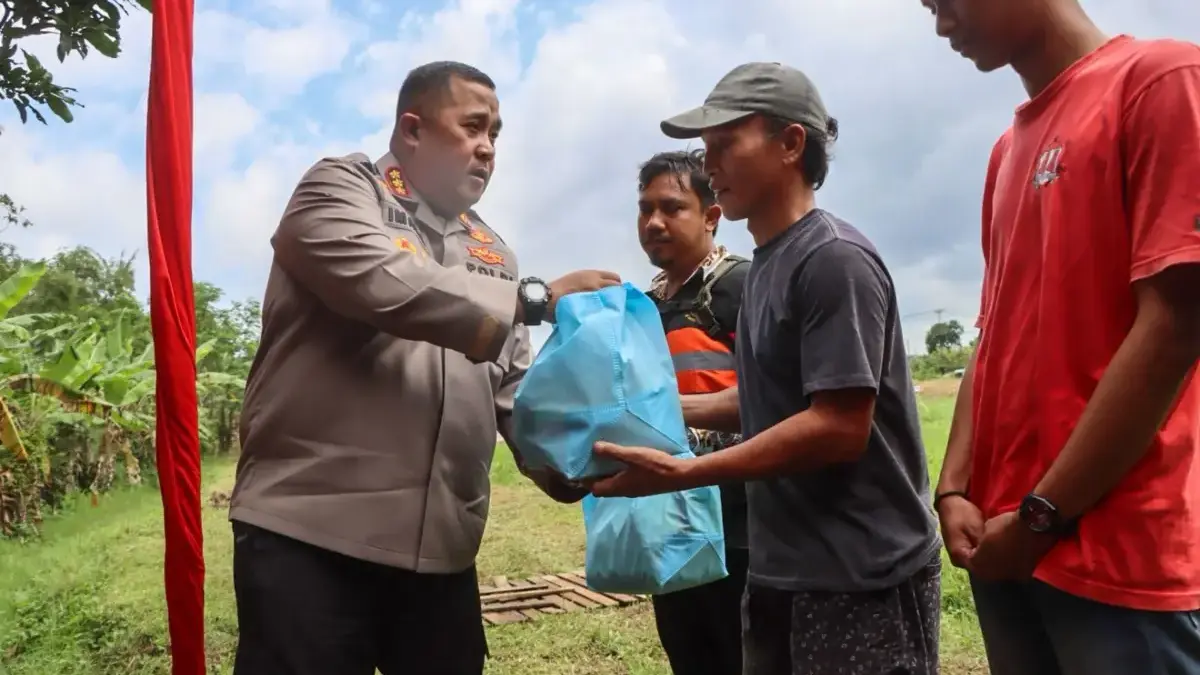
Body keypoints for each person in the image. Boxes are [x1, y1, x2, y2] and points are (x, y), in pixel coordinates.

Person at [227, 60, 619, 675]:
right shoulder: (341, 190)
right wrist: (534, 299)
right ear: (412, 130)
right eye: (473, 127)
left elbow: (516, 389)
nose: (488, 148)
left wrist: (578, 463)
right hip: (311, 537)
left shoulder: (494, 252)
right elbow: (382, 282)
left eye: (496, 134)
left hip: (442, 558)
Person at [591, 62, 942, 675]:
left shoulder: (832, 259)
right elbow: (765, 400)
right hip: (781, 567)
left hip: (861, 574)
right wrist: (655, 412)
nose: (710, 165)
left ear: (791, 144)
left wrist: (686, 471)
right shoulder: (768, 266)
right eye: (706, 148)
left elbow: (838, 426)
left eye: (725, 144)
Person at [921, 1, 1200, 673]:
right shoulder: (1005, 152)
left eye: (947, 1)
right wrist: (954, 489)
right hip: (1003, 544)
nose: (942, 26)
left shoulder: (1161, 80)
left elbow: (1175, 323)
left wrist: (1042, 515)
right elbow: (991, 331)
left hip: (1118, 557)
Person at [636, 149, 750, 675]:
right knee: (687, 650)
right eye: (645, 209)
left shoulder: (742, 286)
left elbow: (779, 400)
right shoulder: (644, 306)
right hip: (670, 516)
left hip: (741, 521)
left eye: (672, 207)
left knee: (741, 652)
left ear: (711, 215)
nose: (653, 222)